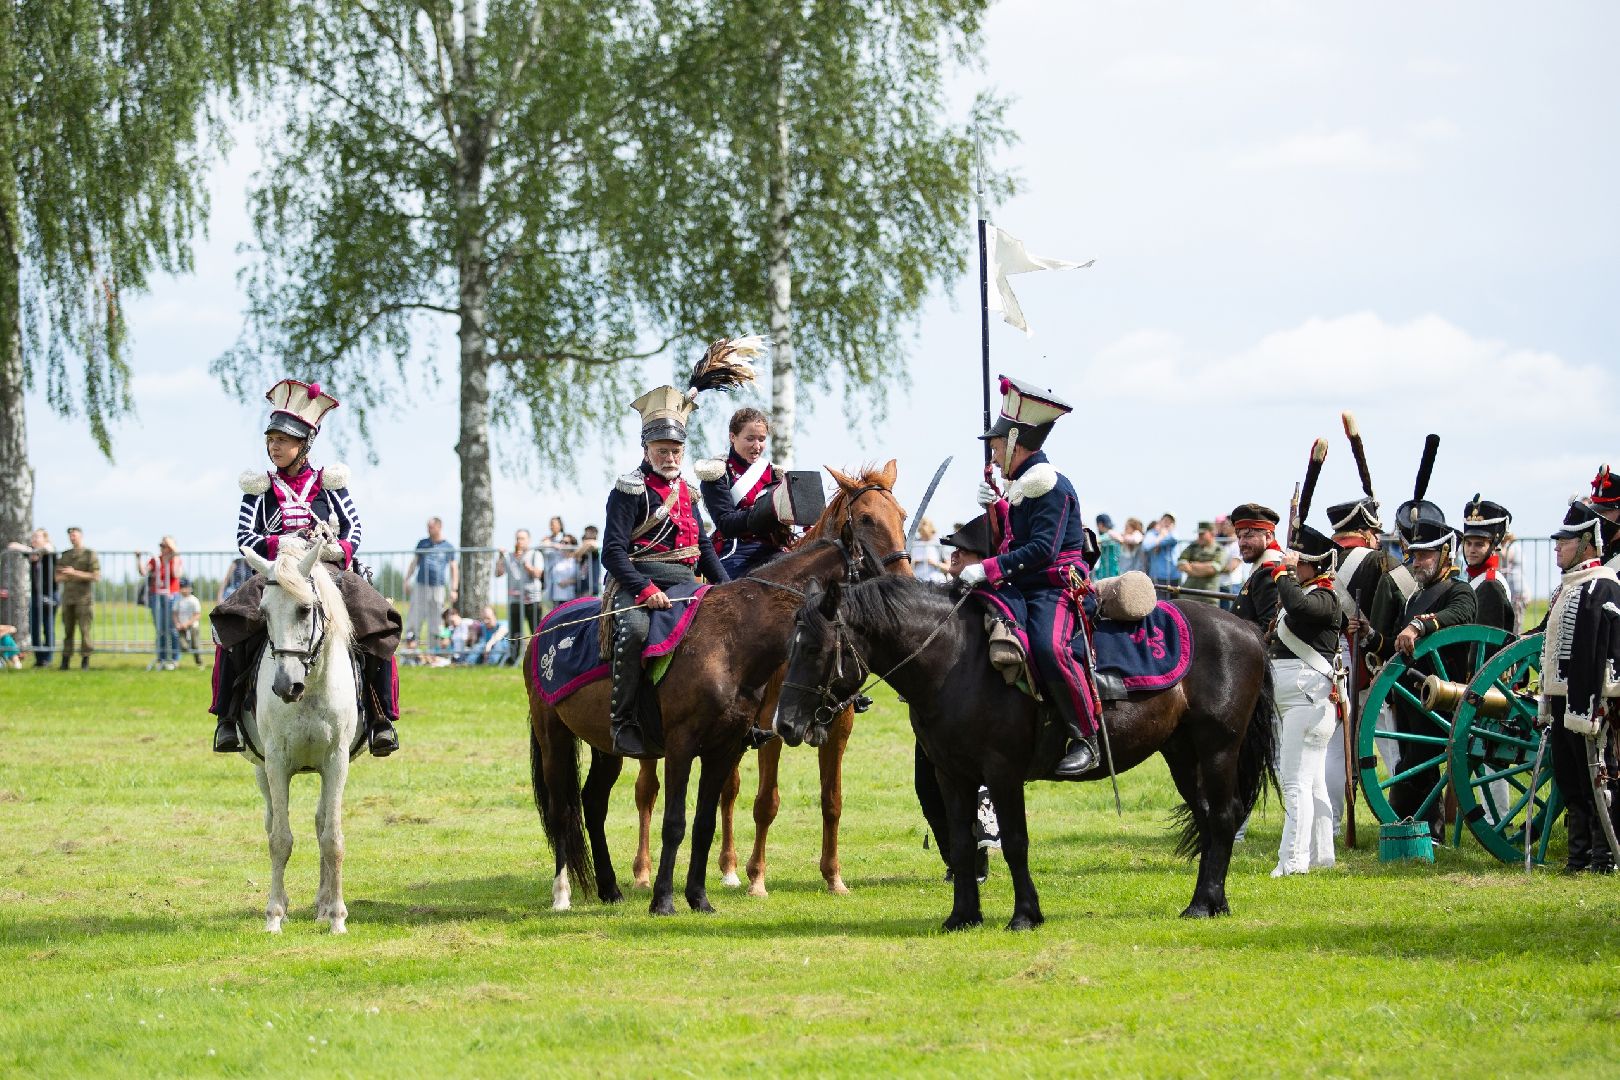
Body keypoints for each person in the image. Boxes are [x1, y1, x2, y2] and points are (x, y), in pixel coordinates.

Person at [209, 378, 402, 757]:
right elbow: (246, 539)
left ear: (304, 444)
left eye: (282, 440)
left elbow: (354, 530)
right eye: (271, 440)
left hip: (329, 572)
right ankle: (228, 718)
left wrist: (333, 549)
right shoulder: (259, 488)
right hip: (276, 574)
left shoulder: (329, 483)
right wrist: (287, 544)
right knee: (230, 621)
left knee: (379, 620)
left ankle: (381, 718)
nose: (274, 447)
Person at [962, 375, 1098, 778]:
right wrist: (1000, 509)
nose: (994, 451)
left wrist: (986, 569)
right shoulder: (1023, 487)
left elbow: (1043, 550)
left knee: (1048, 647)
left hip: (1056, 587)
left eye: (997, 444)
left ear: (1016, 442)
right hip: (1024, 586)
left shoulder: (1050, 485)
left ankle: (1084, 735)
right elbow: (1015, 540)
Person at [602, 375, 734, 757]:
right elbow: (611, 553)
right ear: (646, 449)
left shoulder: (688, 493)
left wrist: (727, 587)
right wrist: (644, 590)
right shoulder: (628, 490)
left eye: (677, 450)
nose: (671, 458)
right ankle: (622, 721)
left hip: (686, 583)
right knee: (636, 630)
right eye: (663, 450)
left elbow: (704, 548)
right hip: (638, 582)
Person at [1363, 498, 1477, 838]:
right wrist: (1371, 637)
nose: (1416, 561)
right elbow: (1395, 646)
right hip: (1410, 694)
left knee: (1417, 766)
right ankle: (1418, 830)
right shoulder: (1415, 597)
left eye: (1426, 554)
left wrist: (1421, 626)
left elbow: (1457, 617)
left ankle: (1424, 832)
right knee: (1413, 764)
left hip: (1443, 696)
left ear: (1445, 555)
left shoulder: (1461, 591)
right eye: (1414, 554)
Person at [1537, 501, 1620, 872]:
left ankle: (1603, 858)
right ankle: (1578, 857)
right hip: (1560, 698)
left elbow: (1598, 649)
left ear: (1586, 543)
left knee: (1597, 781)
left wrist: (1589, 706)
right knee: (1572, 781)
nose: (1557, 547)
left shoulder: (1602, 584)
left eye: (1564, 541)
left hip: (1589, 701)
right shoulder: (1568, 588)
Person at [1266, 523, 1344, 876]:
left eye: (1300, 563)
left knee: (1294, 782)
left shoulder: (1324, 599)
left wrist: (1283, 571)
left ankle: (1294, 861)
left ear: (1316, 565)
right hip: (1300, 697)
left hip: (1306, 699)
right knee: (1310, 783)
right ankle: (1322, 854)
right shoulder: (1314, 596)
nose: (1294, 568)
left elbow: (1296, 603)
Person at [697, 407, 794, 578]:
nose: (757, 446)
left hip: (774, 549)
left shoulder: (774, 473)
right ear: (732, 437)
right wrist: (764, 512)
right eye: (750, 439)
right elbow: (725, 523)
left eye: (762, 439)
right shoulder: (718, 473)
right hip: (736, 549)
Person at [1460, 495, 1515, 635]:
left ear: (1493, 546)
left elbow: (1485, 643)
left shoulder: (1491, 585)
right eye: (1468, 543)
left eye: (1479, 544)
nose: (1471, 549)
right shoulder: (1478, 579)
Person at [404, 518, 458, 649]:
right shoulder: (422, 543)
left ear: (439, 527)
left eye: (431, 527)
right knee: (415, 616)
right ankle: (410, 650)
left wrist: (454, 589)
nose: (428, 530)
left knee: (436, 620)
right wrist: (406, 579)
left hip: (438, 587)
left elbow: (454, 568)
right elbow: (414, 562)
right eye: (428, 527)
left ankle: (434, 651)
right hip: (421, 585)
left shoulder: (448, 547)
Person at [5, 529, 55, 666]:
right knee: (34, 628)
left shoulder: (50, 554)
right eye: (33, 537)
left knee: (48, 626)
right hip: (36, 595)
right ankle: (39, 659)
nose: (34, 539)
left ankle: (47, 658)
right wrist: (31, 550)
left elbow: (48, 548)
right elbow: (12, 546)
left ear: (46, 539)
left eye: (37, 537)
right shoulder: (32, 555)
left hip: (50, 594)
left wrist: (34, 551)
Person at [1230, 504, 1284, 630]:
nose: (1242, 543)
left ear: (1268, 536)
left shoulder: (1269, 570)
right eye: (1239, 537)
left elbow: (1268, 629)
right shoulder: (1261, 566)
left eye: (1249, 536)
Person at [496, 529, 545, 665]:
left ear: (528, 540)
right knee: (515, 631)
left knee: (536, 630)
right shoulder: (509, 556)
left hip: (532, 599)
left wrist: (525, 564)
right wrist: (500, 557)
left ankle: (539, 658)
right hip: (515, 599)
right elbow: (498, 573)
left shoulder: (535, 555)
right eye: (517, 538)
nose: (519, 541)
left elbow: (538, 574)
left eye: (522, 538)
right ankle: (513, 658)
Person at [55, 526, 98, 670]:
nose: (72, 537)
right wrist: (66, 575)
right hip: (68, 598)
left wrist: (74, 574)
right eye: (70, 535)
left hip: (84, 599)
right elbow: (58, 576)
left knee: (84, 630)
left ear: (81, 536)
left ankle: (85, 660)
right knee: (67, 631)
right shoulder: (65, 555)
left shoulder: (89, 554)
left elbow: (95, 576)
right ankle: (65, 660)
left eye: (74, 535)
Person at [138, 538, 183, 670]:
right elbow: (143, 572)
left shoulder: (176, 559)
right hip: (156, 596)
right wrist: (138, 558)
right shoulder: (155, 560)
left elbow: (176, 573)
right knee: (160, 629)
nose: (162, 548)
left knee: (172, 629)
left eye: (165, 545)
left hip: (172, 596)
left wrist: (174, 554)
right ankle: (161, 657)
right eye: (161, 545)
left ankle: (174, 659)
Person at [1176, 521, 1227, 602]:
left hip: (1208, 596)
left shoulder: (1219, 550)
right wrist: (1203, 568)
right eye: (1199, 534)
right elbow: (1181, 564)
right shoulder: (1192, 547)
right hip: (1189, 594)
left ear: (1212, 533)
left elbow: (1213, 568)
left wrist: (1193, 566)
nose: (1199, 536)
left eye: (1202, 534)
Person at [1141, 514, 1180, 586]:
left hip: (1174, 576)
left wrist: (1157, 542)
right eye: (1165, 520)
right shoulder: (1152, 533)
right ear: (1160, 521)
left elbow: (1174, 539)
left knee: (1175, 598)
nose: (1167, 523)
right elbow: (1146, 546)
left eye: (1170, 522)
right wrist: (1161, 536)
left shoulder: (1174, 533)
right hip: (1157, 576)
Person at [172, 578, 203, 667]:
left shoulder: (194, 600)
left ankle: (199, 663)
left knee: (195, 645)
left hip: (193, 626)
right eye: (181, 587)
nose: (183, 589)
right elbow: (174, 613)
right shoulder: (178, 600)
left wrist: (187, 624)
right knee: (183, 646)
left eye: (185, 587)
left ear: (190, 588)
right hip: (181, 626)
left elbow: (197, 615)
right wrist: (177, 623)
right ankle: (177, 660)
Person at [908, 518, 950, 584]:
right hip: (917, 584)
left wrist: (934, 563)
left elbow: (949, 568)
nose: (922, 526)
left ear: (931, 527)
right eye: (921, 524)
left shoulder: (939, 545)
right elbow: (905, 566)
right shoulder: (913, 545)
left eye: (924, 524)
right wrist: (915, 562)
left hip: (937, 584)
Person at [576, 526, 603, 597]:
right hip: (584, 583)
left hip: (593, 585)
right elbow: (576, 554)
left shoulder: (597, 544)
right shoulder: (584, 546)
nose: (586, 534)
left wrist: (584, 546)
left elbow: (591, 544)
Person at [1093, 514, 1122, 578]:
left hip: (1111, 571)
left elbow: (1097, 540)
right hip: (1109, 571)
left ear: (1100, 524)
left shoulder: (1110, 534)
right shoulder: (1112, 534)